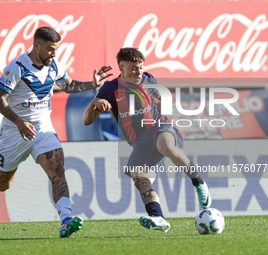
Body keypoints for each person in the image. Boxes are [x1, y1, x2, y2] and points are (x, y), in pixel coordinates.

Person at [0, 26, 113, 238]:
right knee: (2, 183)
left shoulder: (54, 66)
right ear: (36, 45)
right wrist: (18, 122)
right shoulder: (17, 67)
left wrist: (92, 84)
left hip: (43, 129)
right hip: (14, 133)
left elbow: (68, 85)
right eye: (51, 49)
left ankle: (65, 220)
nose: (54, 54)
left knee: (58, 170)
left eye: (56, 49)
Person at [82, 47, 211, 233]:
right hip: (140, 142)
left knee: (165, 145)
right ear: (121, 68)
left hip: (162, 128)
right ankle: (158, 217)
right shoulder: (110, 88)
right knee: (140, 178)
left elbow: (156, 95)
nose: (139, 72)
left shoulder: (149, 78)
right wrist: (95, 103)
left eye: (141, 67)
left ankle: (198, 182)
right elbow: (87, 121)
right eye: (134, 68)